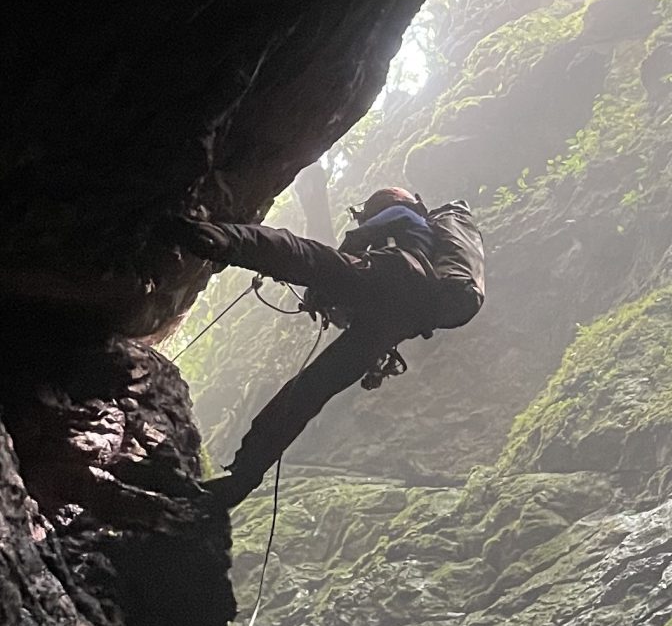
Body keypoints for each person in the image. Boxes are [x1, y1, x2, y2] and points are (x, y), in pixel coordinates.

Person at [168, 185, 484, 507]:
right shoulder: (431, 245)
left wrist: (325, 279)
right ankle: (240, 482)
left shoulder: (404, 215)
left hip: (397, 275)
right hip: (398, 322)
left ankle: (215, 238)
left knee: (299, 252)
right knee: (308, 391)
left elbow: (350, 245)